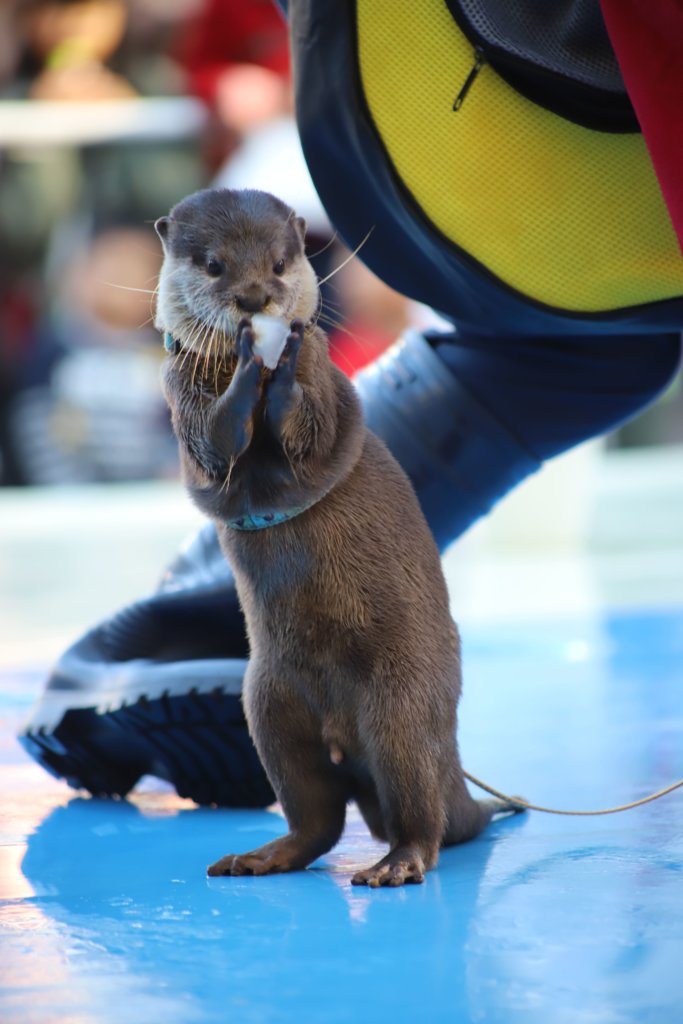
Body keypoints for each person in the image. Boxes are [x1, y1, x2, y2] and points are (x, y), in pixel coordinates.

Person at [20, 0, 683, 806]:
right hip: (578, 163)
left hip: (399, 128)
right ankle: (213, 631)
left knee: (571, 352)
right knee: (577, 340)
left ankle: (181, 628)